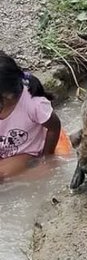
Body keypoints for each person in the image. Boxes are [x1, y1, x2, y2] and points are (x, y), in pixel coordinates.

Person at [0, 53, 72, 182]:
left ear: (7, 95)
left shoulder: (33, 103)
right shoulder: (5, 98)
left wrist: (46, 159)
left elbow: (54, 126)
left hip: (26, 152)